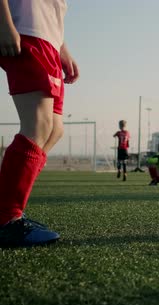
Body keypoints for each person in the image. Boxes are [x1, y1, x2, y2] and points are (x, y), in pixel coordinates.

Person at [0, 0, 79, 247]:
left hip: (48, 40)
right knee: (38, 126)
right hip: (25, 31)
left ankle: (11, 211)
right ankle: (5, 218)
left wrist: (61, 46)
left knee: (54, 130)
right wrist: (3, 23)